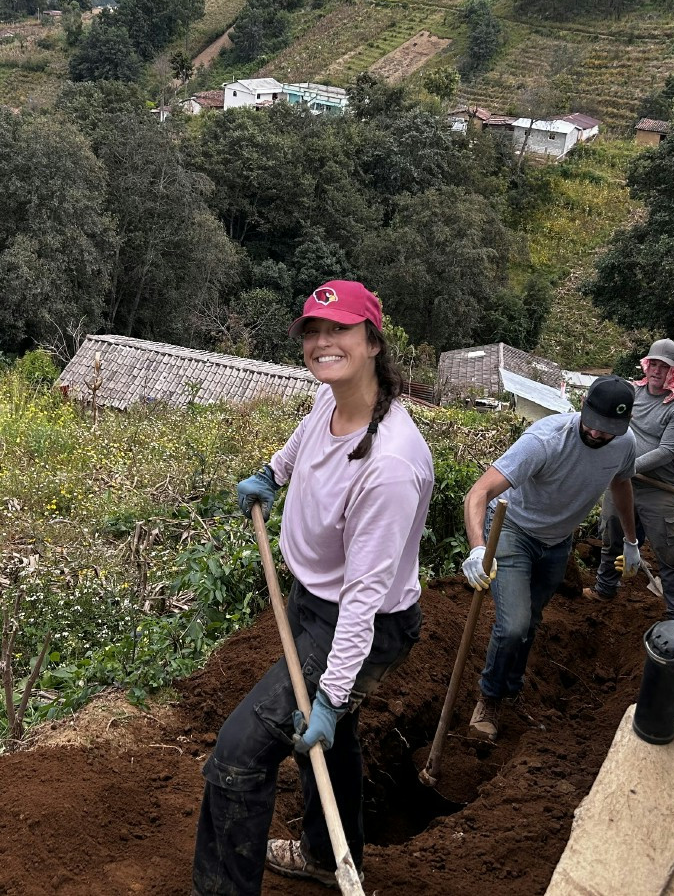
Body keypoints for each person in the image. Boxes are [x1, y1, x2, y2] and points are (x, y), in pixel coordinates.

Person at [192, 280, 434, 895]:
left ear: (373, 341)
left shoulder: (389, 464)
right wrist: (272, 473)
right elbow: (306, 439)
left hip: (358, 622)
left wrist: (331, 693)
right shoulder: (333, 397)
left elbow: (364, 598)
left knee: (239, 755)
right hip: (314, 602)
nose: (323, 342)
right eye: (313, 331)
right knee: (329, 739)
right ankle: (329, 857)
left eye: (340, 330)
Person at [460, 375, 641, 742]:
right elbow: (478, 493)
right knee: (513, 625)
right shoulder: (545, 439)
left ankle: (511, 689)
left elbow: (621, 484)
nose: (597, 433)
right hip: (512, 530)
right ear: (583, 407)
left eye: (608, 428)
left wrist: (631, 541)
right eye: (593, 422)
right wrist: (478, 547)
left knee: (532, 621)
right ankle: (489, 698)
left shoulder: (625, 444)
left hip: (558, 542)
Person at [583, 339, 674, 634]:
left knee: (667, 551)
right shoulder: (632, 394)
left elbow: (667, 451)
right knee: (611, 534)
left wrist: (626, 467)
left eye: (664, 367)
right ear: (646, 365)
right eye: (653, 364)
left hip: (659, 488)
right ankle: (605, 588)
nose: (657, 371)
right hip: (622, 481)